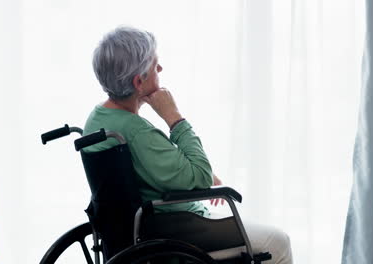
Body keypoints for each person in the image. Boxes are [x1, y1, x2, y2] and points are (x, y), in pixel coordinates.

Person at [84, 26, 293, 264]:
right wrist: (174, 117)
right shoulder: (137, 131)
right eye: (155, 65)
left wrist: (196, 173)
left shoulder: (98, 119)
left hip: (136, 230)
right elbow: (201, 176)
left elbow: (154, 167)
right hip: (173, 230)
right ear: (138, 82)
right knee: (278, 242)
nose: (160, 69)